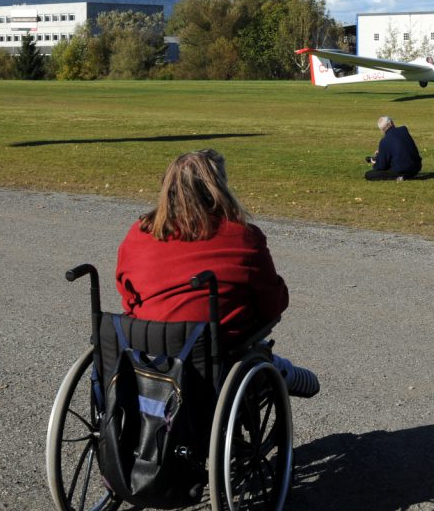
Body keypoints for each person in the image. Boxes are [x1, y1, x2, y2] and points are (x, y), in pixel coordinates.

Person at [115, 149, 319, 396]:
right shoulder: (241, 236)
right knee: (251, 345)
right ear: (219, 188)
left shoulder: (139, 233)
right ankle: (278, 372)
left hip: (147, 344)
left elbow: (128, 296)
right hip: (213, 351)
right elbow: (272, 303)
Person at [365, 115, 422, 181]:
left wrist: (375, 163)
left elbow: (381, 166)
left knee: (368, 175)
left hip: (403, 170)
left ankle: (400, 177)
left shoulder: (384, 141)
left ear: (382, 130)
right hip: (417, 167)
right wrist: (382, 153)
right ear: (391, 123)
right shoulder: (404, 130)